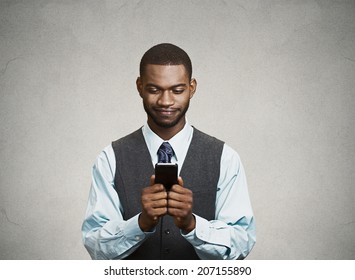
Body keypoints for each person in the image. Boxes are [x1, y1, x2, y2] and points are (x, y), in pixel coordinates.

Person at [81, 43, 256, 260]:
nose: (166, 101)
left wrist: (192, 225)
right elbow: (96, 247)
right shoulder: (110, 159)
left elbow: (241, 244)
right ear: (139, 86)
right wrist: (140, 223)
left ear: (192, 87)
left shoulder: (225, 158)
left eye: (177, 90)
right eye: (154, 89)